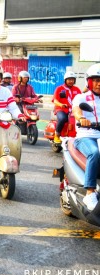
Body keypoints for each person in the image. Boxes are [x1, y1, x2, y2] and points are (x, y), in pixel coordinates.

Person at [71, 63, 100, 211]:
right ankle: (90, 192)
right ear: (89, 82)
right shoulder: (81, 97)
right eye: (95, 80)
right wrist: (81, 118)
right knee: (95, 153)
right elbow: (76, 110)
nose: (99, 83)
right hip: (86, 136)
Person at [52, 71, 81, 143]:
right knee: (62, 118)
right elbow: (55, 100)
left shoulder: (77, 89)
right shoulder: (59, 88)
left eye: (72, 79)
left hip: (74, 110)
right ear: (65, 80)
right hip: (61, 109)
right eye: (69, 79)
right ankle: (57, 135)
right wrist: (61, 104)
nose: (71, 81)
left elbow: (82, 99)